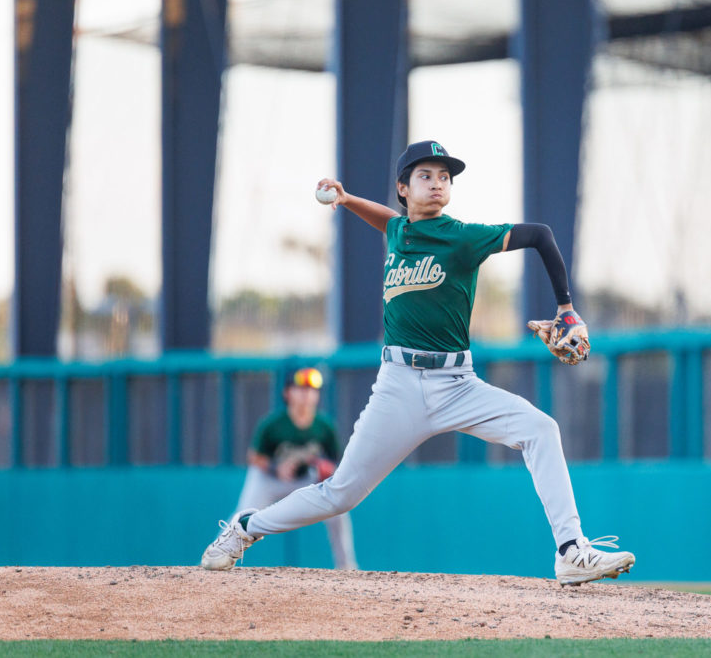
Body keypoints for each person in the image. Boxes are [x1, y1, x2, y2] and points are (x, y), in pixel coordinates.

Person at [201, 140, 635, 586]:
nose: (437, 184)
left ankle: (570, 550)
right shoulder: (399, 232)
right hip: (399, 386)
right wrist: (348, 200)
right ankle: (245, 529)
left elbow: (540, 234)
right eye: (426, 176)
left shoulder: (463, 237)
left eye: (444, 177)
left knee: (541, 429)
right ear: (403, 189)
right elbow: (387, 221)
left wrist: (566, 307)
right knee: (340, 495)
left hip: (458, 384)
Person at [205, 366, 357, 570]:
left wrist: (326, 468)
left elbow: (334, 462)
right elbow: (254, 456)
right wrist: (277, 468)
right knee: (244, 512)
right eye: (300, 388)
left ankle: (347, 566)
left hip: (305, 479)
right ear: (287, 393)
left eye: (312, 389)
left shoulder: (324, 426)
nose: (306, 394)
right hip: (270, 479)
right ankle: (217, 556)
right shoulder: (273, 424)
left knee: (339, 510)